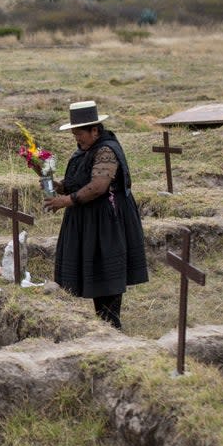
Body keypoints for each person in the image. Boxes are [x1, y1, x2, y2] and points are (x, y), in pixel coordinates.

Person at [40, 101, 148, 328]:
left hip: (106, 221)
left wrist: (64, 202)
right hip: (89, 220)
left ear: (95, 130)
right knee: (97, 271)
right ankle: (105, 323)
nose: (77, 139)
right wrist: (44, 175)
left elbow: (98, 186)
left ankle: (110, 323)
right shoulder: (84, 152)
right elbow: (75, 185)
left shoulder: (106, 151)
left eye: (80, 134)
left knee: (106, 270)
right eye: (74, 134)